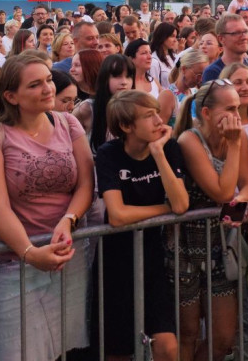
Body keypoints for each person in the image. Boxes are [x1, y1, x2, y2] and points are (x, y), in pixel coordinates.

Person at [0, 50, 94, 361]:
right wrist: (29, 252)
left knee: (62, 346)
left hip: (66, 253)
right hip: (10, 261)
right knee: (16, 351)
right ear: (11, 96)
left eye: (49, 80)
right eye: (36, 84)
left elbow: (86, 184)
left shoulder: (68, 123)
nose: (48, 88)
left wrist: (69, 220)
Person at [95, 90, 189, 361]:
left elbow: (181, 205)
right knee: (119, 352)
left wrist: (158, 154)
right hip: (115, 262)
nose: (159, 121)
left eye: (157, 112)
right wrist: (164, 209)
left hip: (153, 258)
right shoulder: (109, 154)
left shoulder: (168, 147)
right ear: (126, 126)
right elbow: (117, 215)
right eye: (149, 116)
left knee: (167, 347)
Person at [172, 79, 248, 361]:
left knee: (222, 337)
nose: (237, 114)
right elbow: (221, 191)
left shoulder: (238, 136)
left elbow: (247, 184)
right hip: (185, 247)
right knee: (188, 333)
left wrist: (241, 202)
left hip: (220, 245)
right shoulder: (189, 140)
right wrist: (233, 146)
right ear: (206, 113)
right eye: (230, 108)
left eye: (239, 107)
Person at [201, 14, 248, 110]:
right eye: (236, 33)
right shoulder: (213, 72)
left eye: (246, 31)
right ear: (221, 39)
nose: (244, 37)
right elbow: (214, 113)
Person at [80, 54, 136, 147]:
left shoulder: (137, 108)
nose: (124, 82)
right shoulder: (88, 108)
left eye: (128, 76)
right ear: (105, 78)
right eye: (117, 76)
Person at [167, 49, 208, 125]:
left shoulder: (195, 92)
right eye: (198, 75)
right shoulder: (168, 95)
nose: (201, 79)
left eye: (203, 75)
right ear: (184, 69)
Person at [149, 22, 179, 89]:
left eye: (176, 36)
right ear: (162, 37)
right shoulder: (154, 61)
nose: (175, 40)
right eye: (172, 36)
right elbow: (155, 87)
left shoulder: (175, 57)